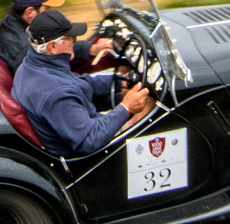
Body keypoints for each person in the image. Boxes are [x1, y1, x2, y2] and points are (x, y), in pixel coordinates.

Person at [13, 9, 153, 157]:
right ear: (52, 46)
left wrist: (121, 82)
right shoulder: (55, 93)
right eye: (70, 37)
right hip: (89, 153)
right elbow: (90, 140)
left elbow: (78, 83)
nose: (75, 40)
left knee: (126, 87)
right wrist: (126, 108)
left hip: (81, 125)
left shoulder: (32, 66)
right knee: (149, 104)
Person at [0, 0, 112, 74]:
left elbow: (57, 44)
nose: (50, 12)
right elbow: (52, 79)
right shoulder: (23, 49)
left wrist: (91, 48)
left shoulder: (16, 23)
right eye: (47, 8)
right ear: (30, 12)